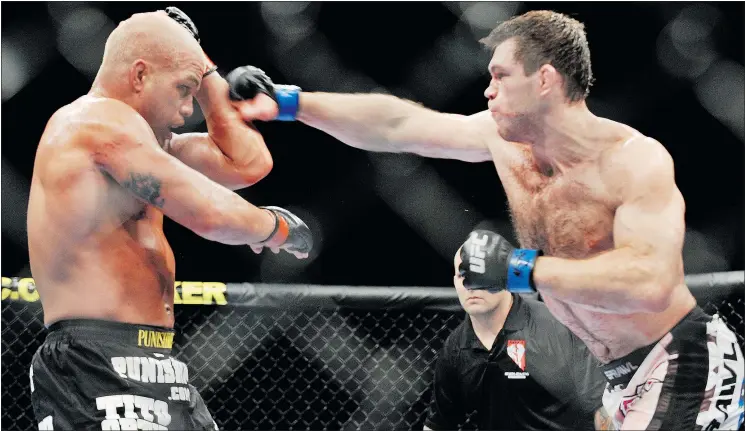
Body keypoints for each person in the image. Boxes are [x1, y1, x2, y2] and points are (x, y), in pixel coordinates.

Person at [225, 9, 744, 431]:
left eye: (500, 77)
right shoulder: (504, 141)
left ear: (545, 80)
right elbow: (400, 123)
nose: (487, 91)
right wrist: (290, 103)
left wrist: (519, 269)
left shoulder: (631, 159)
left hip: (682, 359)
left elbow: (651, 282)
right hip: (618, 373)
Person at [27, 7, 312, 431]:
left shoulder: (149, 141)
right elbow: (207, 212)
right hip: (97, 356)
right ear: (140, 75)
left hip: (157, 360)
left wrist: (203, 68)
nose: (186, 109)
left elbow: (248, 163)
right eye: (182, 90)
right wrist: (277, 228)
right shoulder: (95, 122)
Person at [423, 248, 605, 431]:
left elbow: (602, 407)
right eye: (464, 275)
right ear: (455, 281)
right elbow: (438, 423)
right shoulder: (456, 347)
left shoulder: (556, 325)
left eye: (482, 274)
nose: (472, 284)